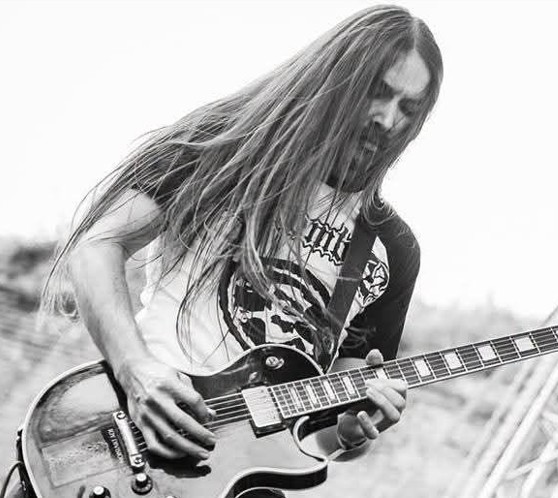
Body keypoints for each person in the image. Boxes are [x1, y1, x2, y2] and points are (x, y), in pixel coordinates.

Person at [40, 4, 443, 496]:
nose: (387, 119)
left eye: (408, 108)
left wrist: (351, 433)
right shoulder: (225, 145)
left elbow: (324, 435)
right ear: (337, 78)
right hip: (132, 440)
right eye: (378, 92)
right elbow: (99, 244)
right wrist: (136, 370)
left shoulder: (392, 250)